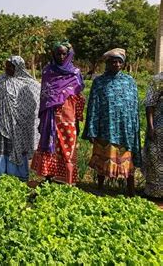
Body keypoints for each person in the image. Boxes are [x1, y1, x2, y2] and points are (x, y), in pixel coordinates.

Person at [83, 48, 140, 196]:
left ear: (123, 64)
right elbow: (93, 105)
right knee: (103, 156)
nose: (116, 64)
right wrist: (91, 128)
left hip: (125, 128)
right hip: (105, 127)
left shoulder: (130, 81)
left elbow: (134, 106)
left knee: (127, 158)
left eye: (119, 62)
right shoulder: (99, 82)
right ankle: (100, 187)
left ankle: (130, 189)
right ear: (107, 64)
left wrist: (134, 126)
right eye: (112, 62)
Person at [31, 41, 85, 185]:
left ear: (69, 54)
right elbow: (44, 95)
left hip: (68, 118)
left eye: (64, 53)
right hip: (50, 117)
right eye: (58, 53)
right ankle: (49, 177)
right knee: (50, 145)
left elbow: (79, 98)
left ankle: (67, 181)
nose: (61, 56)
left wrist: (78, 119)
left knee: (67, 149)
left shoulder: (75, 73)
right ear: (53, 54)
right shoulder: (48, 71)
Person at [0, 56, 41, 180]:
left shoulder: (29, 83)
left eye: (10, 66)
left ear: (18, 67)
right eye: (6, 66)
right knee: (1, 147)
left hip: (19, 124)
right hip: (2, 121)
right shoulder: (1, 79)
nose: (7, 69)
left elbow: (35, 101)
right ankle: (0, 172)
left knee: (16, 147)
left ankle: (17, 173)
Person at [143, 73, 163, 198]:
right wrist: (151, 127)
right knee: (155, 157)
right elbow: (150, 105)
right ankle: (154, 193)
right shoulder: (158, 80)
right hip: (159, 127)